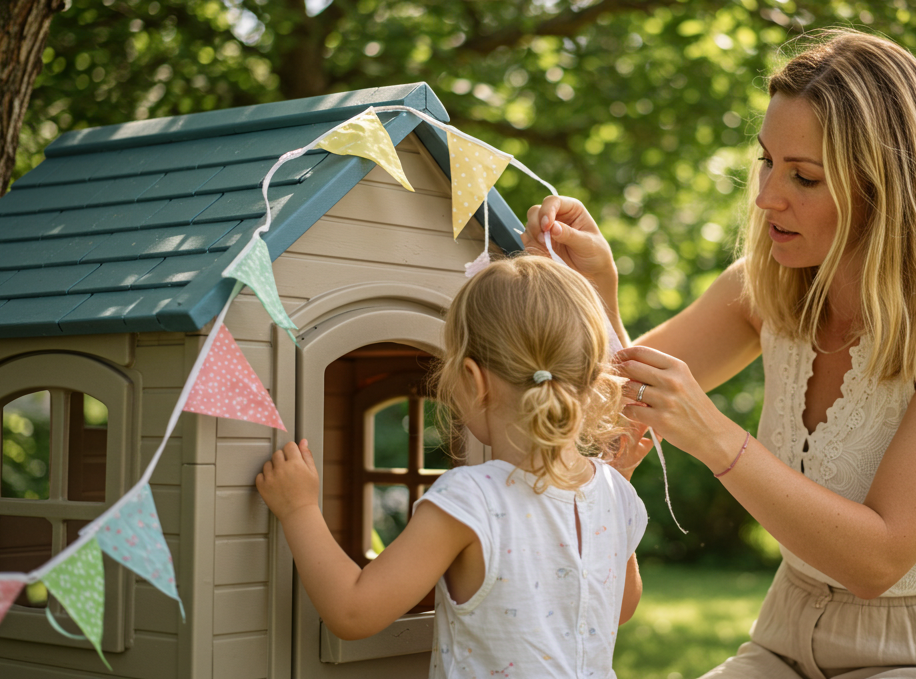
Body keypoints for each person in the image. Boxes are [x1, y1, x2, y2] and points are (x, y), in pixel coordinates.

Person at [521, 29, 916, 678]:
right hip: (784, 641)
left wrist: (714, 437)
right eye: (767, 162)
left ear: (883, 187)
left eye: (803, 176)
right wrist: (596, 293)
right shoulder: (764, 289)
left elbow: (878, 561)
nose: (766, 196)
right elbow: (610, 401)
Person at [255, 255, 650, 678]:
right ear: (591, 380)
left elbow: (353, 612)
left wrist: (298, 509)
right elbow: (621, 607)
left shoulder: (471, 498)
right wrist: (619, 485)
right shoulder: (615, 492)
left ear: (473, 379)